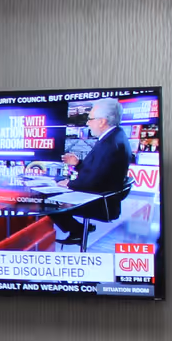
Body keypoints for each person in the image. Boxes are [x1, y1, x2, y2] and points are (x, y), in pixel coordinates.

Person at [55, 97, 133, 245]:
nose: (87, 123)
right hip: (103, 196)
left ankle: (77, 230)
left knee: (49, 201)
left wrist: (69, 184)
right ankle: (77, 230)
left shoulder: (110, 144)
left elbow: (93, 181)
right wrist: (78, 163)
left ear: (102, 121)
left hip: (98, 201)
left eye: (90, 119)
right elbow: (101, 169)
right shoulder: (116, 135)